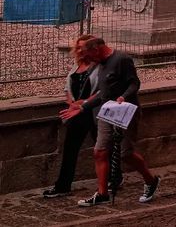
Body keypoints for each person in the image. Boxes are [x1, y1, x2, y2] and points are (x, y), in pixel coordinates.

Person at [59, 36, 161, 206]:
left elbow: (134, 83)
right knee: (99, 151)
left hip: (126, 110)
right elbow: (102, 93)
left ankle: (151, 181)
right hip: (107, 111)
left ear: (96, 49)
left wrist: (124, 96)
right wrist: (83, 106)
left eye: (90, 56)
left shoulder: (122, 59)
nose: (89, 61)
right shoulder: (99, 62)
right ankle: (102, 193)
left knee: (125, 153)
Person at [42, 36, 98, 198]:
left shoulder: (98, 67)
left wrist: (84, 103)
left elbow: (101, 91)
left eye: (83, 47)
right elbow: (67, 88)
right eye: (78, 47)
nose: (80, 50)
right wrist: (71, 103)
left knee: (101, 148)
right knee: (70, 149)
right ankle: (63, 185)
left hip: (93, 112)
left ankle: (114, 178)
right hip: (77, 113)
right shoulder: (76, 66)